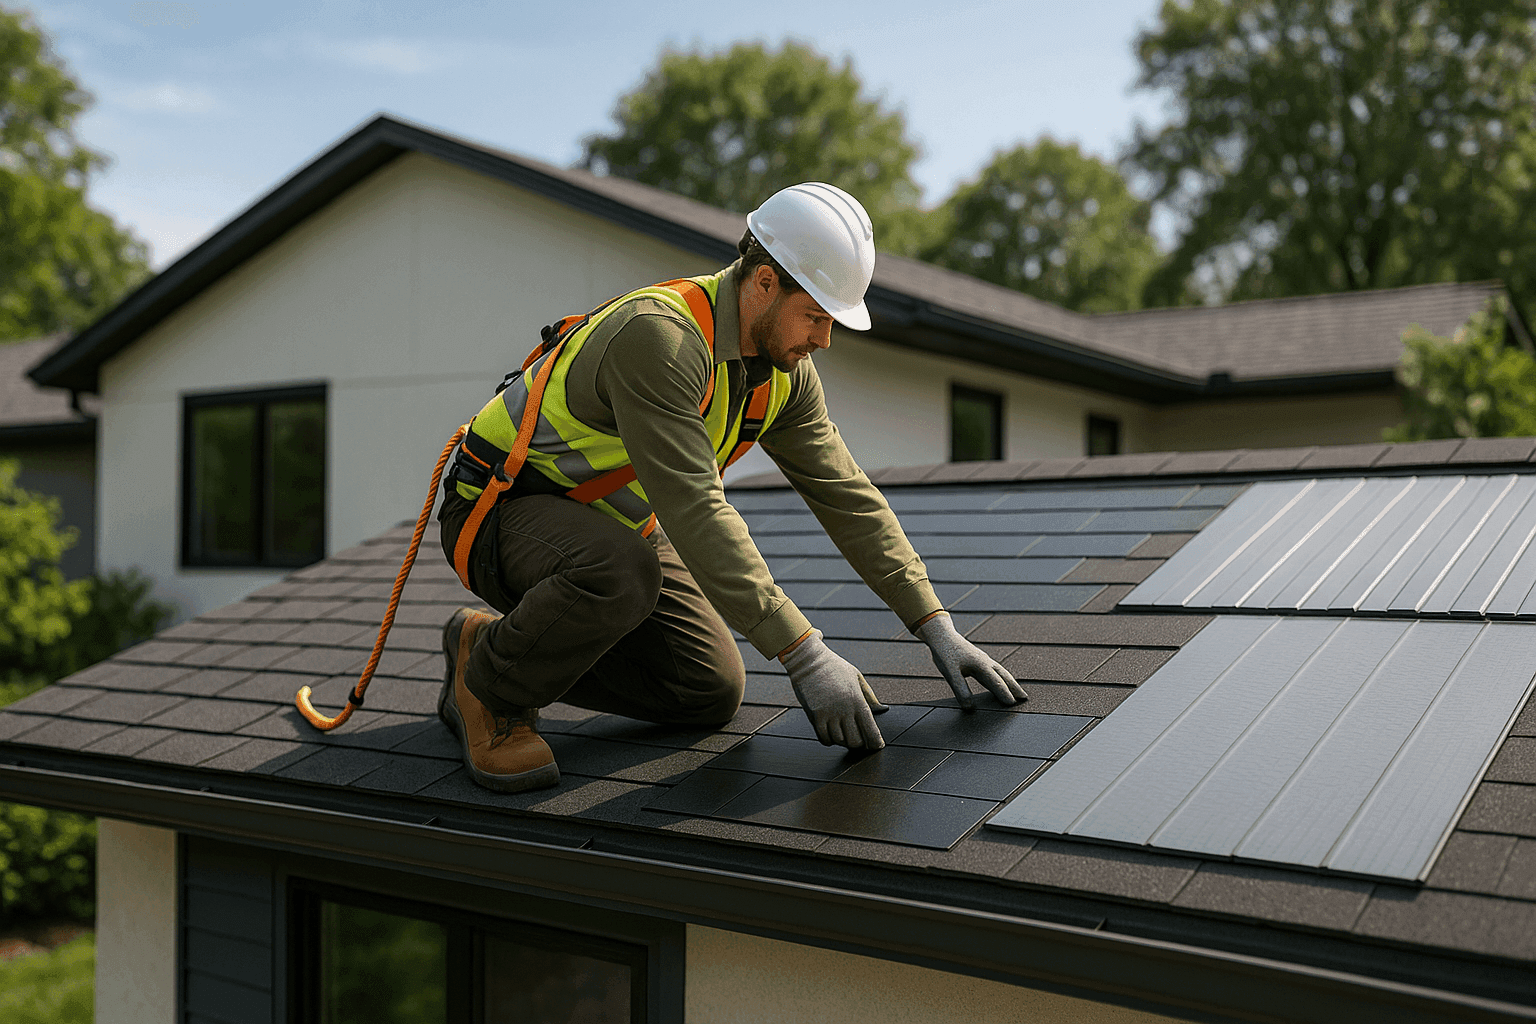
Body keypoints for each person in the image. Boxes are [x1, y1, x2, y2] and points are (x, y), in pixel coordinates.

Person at [437, 182, 1026, 793]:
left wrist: (933, 622)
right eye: (817, 317)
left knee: (706, 687)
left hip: (608, 528)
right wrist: (804, 652)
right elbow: (694, 506)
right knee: (622, 573)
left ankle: (494, 640)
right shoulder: (658, 338)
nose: (824, 340)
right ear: (765, 282)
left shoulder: (783, 375)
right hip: (498, 510)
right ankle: (491, 686)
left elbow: (846, 494)